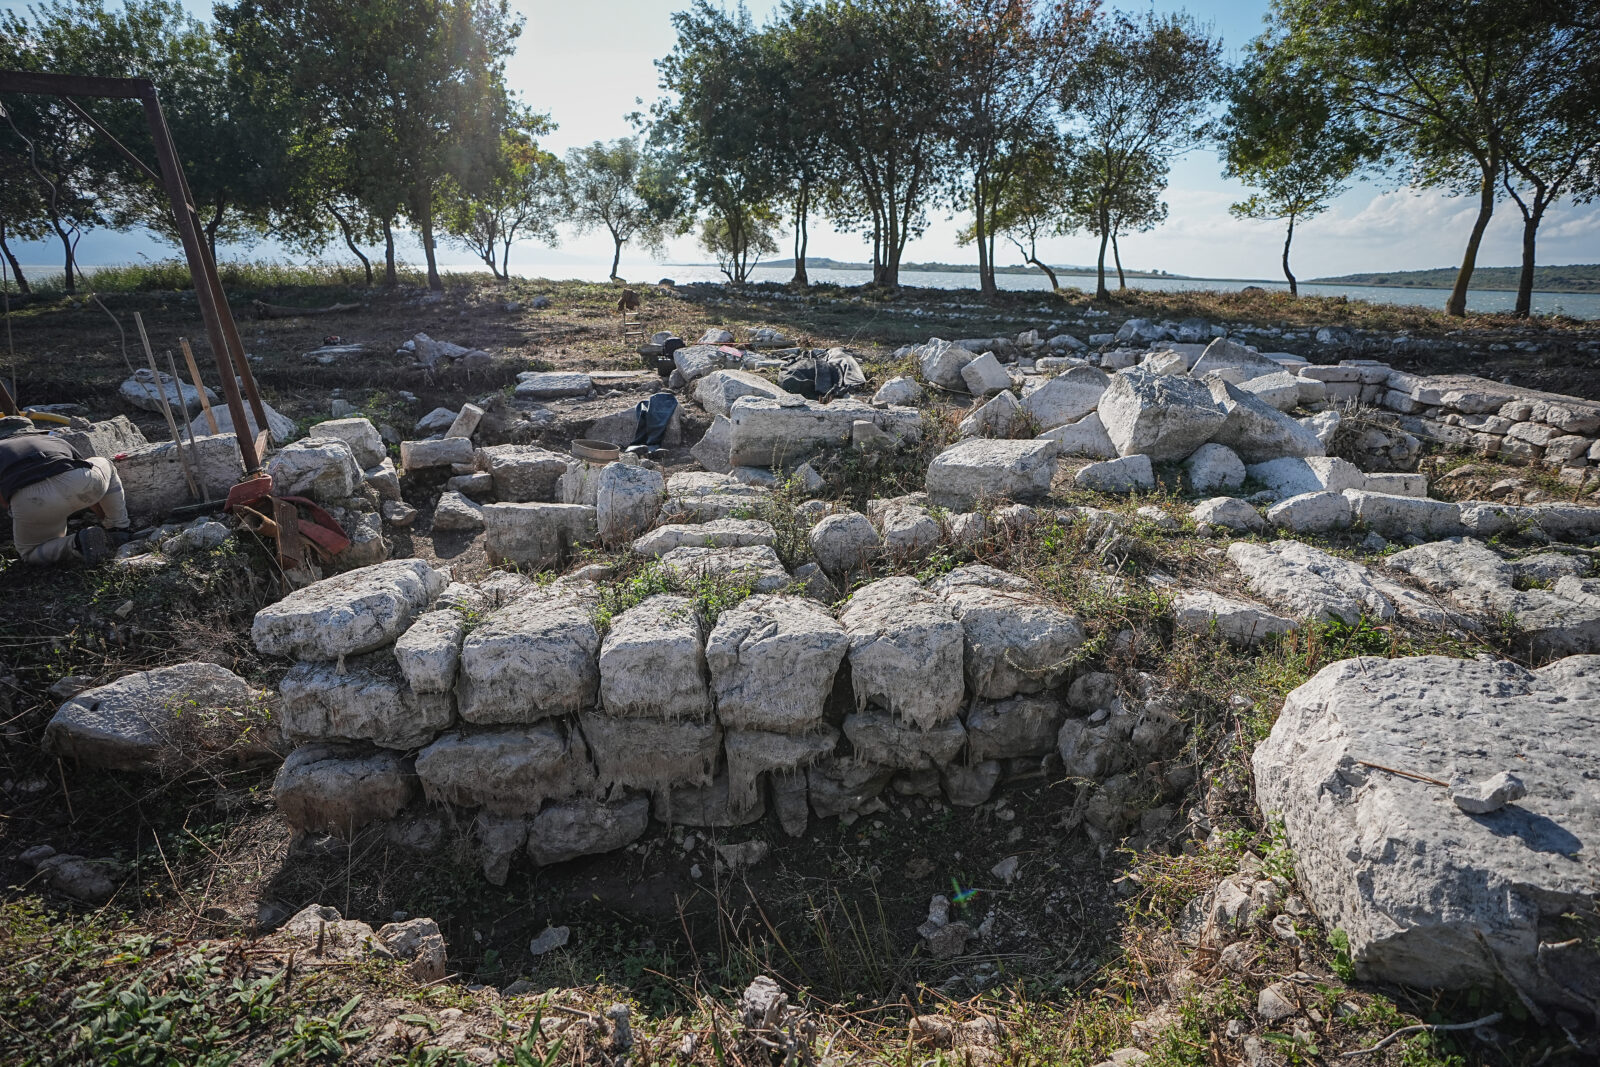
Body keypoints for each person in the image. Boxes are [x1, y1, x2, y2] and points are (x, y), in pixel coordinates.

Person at [0, 415, 131, 565]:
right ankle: (119, 528)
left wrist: (19, 511)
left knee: (30, 552)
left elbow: (2, 499)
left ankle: (77, 543)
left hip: (31, 500)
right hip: (77, 481)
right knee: (105, 463)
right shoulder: (52, 440)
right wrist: (103, 519)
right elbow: (82, 474)